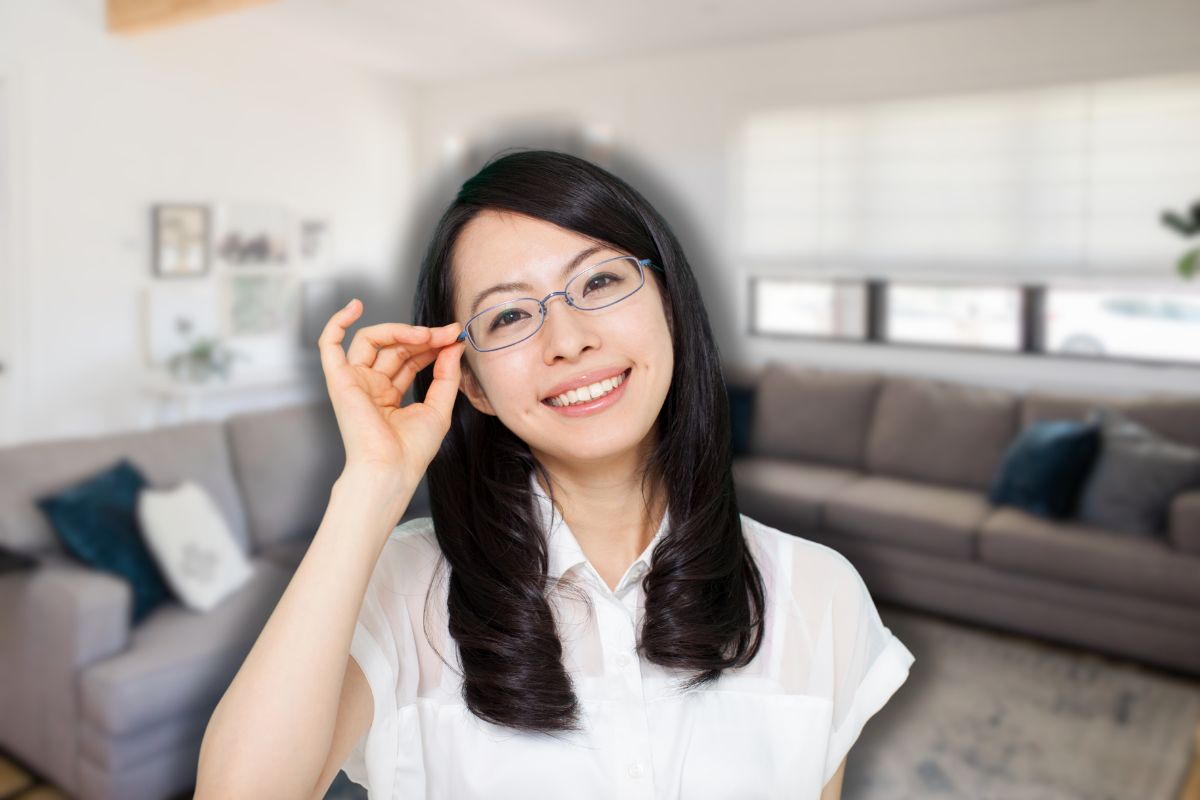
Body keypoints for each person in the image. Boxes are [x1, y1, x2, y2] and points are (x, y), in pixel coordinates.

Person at [195, 149, 915, 800]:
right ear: (471, 384)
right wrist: (371, 486)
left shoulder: (818, 594)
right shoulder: (402, 593)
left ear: (669, 301)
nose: (568, 341)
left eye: (599, 279)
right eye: (508, 318)